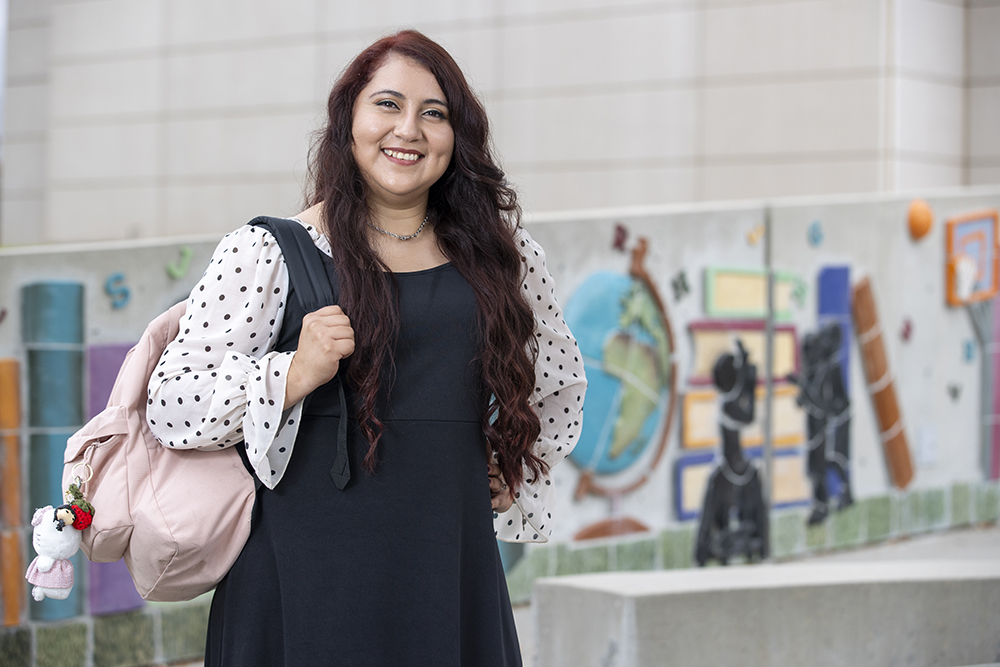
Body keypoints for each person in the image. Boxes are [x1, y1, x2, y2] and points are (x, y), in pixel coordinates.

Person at [146, 30, 586, 666]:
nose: (408, 129)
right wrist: (290, 375)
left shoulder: (504, 261)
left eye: (433, 113)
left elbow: (558, 384)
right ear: (347, 120)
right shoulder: (270, 251)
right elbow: (171, 404)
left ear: (457, 137)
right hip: (301, 583)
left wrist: (514, 464)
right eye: (387, 105)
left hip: (447, 570)